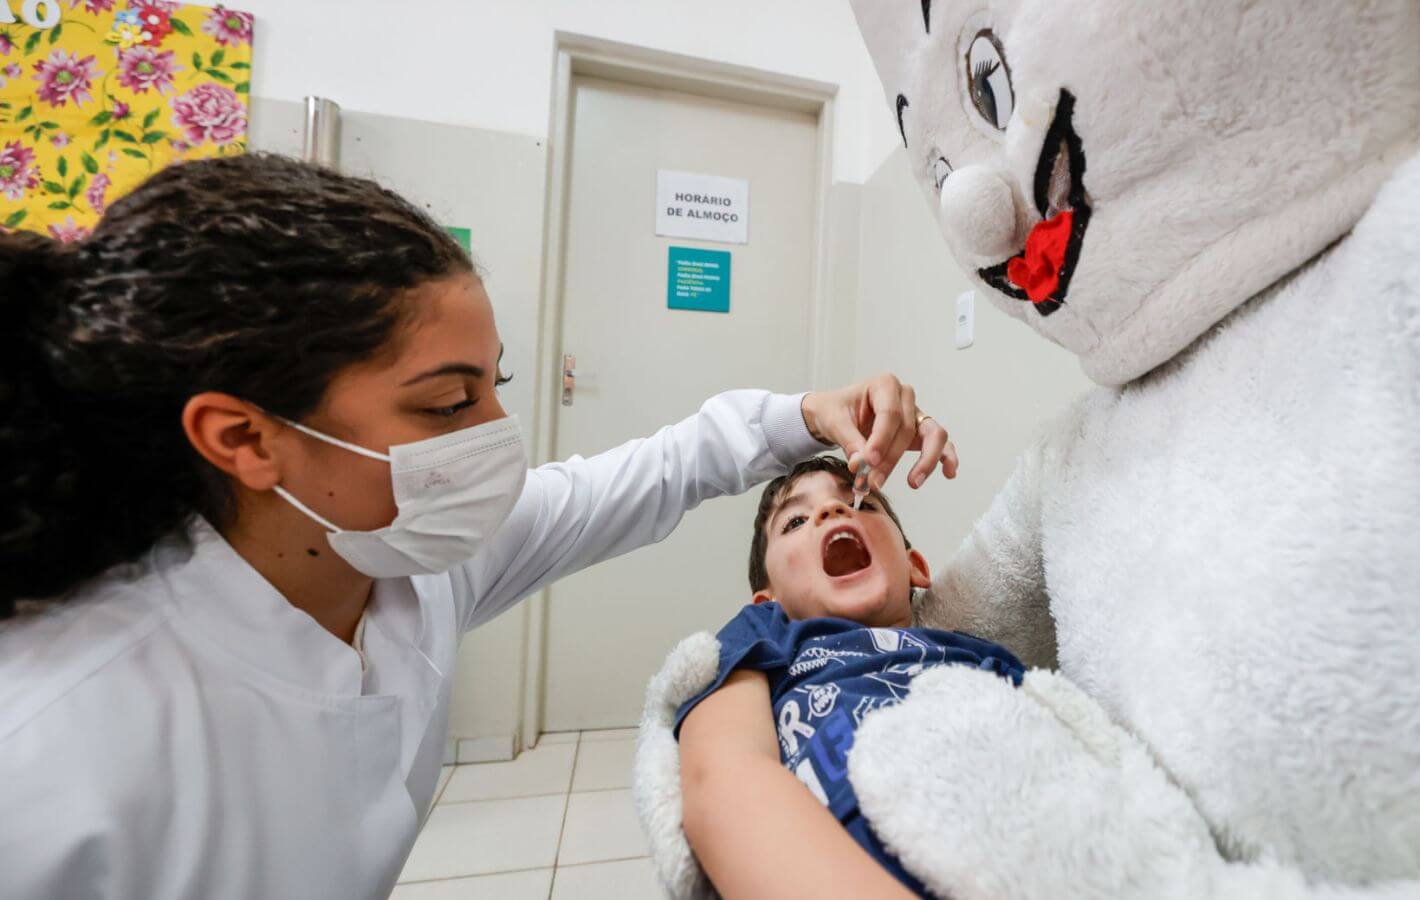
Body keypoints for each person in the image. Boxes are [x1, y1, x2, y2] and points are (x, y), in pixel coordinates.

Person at [0, 154, 957, 900]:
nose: (499, 436)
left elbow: (661, 469)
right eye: (447, 404)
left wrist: (812, 413)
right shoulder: (49, 750)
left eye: (492, 386)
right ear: (246, 438)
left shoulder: (406, 566)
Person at [676, 455, 1024, 899]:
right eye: (795, 521)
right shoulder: (761, 635)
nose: (832, 509)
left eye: (863, 503)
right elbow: (721, 776)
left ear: (915, 566)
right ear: (769, 602)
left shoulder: (972, 654)